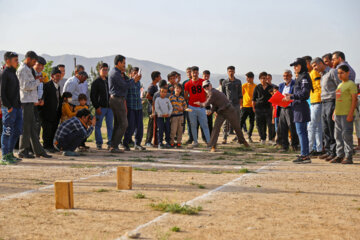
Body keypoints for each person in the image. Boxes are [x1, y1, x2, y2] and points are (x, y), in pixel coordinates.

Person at [195, 80, 249, 152]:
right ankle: (213, 146)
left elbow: (206, 104)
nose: (206, 88)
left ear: (210, 85)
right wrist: (211, 111)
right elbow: (214, 105)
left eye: (207, 86)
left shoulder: (212, 92)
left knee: (236, 127)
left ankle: (243, 141)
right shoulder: (212, 93)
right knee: (216, 128)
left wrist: (200, 103)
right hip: (221, 112)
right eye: (204, 87)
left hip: (229, 110)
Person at [17, 51, 51, 159]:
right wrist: (38, 81)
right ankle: (23, 151)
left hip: (30, 101)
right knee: (26, 128)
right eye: (34, 61)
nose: (34, 63)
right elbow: (25, 86)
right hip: (25, 101)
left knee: (32, 128)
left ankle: (38, 150)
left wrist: (37, 80)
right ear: (28, 59)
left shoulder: (28, 69)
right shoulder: (23, 70)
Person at [108, 55, 141, 153]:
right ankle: (114, 146)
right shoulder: (115, 73)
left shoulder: (117, 73)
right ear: (118, 63)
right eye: (123, 63)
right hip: (117, 100)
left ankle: (113, 145)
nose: (124, 65)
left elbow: (125, 82)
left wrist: (134, 79)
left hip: (117, 99)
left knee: (118, 124)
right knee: (124, 124)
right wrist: (134, 80)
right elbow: (125, 85)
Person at [311, 57, 341, 161]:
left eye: (315, 65)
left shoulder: (332, 72)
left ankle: (334, 152)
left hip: (331, 101)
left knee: (331, 127)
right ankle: (328, 151)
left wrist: (337, 105)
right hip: (323, 102)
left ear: (320, 63)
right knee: (325, 128)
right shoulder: (322, 75)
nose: (314, 68)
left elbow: (339, 87)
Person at [285, 58, 313, 164]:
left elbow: (305, 94)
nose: (295, 68)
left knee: (301, 132)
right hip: (297, 108)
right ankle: (304, 153)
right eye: (294, 66)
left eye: (296, 65)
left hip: (301, 108)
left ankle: (305, 155)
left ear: (301, 65)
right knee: (301, 132)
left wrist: (292, 97)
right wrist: (291, 96)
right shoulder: (300, 77)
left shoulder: (304, 76)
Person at [331, 65, 357, 164]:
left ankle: (348, 156)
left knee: (346, 135)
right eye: (338, 73)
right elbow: (338, 100)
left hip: (347, 114)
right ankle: (339, 155)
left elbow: (354, 100)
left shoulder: (351, 84)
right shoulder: (339, 85)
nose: (339, 75)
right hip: (338, 114)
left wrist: (351, 113)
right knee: (337, 135)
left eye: (342, 73)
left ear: (347, 73)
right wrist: (334, 112)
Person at [0, 52, 23, 163]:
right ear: (8, 61)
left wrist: (19, 104)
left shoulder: (13, 73)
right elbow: (2, 92)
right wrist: (8, 106)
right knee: (8, 131)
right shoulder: (4, 73)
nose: (17, 62)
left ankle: (10, 153)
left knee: (17, 130)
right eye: (15, 60)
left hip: (17, 107)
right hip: (9, 108)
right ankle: (5, 156)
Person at [184, 66, 210, 147]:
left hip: (201, 106)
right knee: (193, 125)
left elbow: (207, 93)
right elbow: (185, 96)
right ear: (190, 73)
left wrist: (204, 102)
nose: (194, 74)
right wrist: (192, 99)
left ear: (198, 73)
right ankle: (195, 141)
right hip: (192, 107)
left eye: (196, 72)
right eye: (193, 72)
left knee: (205, 125)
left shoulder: (203, 81)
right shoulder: (187, 84)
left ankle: (209, 142)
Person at [90, 62, 113, 150]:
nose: (105, 71)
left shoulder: (108, 81)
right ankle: (99, 143)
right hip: (101, 108)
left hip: (110, 108)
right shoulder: (96, 82)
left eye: (106, 70)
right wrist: (97, 107)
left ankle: (110, 142)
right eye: (103, 69)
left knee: (110, 126)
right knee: (98, 125)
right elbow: (93, 96)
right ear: (99, 70)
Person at [123, 67, 146, 151]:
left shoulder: (138, 83)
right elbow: (125, 97)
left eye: (138, 73)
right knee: (130, 127)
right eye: (134, 73)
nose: (137, 75)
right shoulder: (128, 83)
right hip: (131, 107)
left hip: (138, 107)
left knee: (140, 127)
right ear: (130, 74)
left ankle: (138, 144)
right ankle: (125, 143)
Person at [40, 67, 62, 153]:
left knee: (53, 130)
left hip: (55, 114)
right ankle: (46, 146)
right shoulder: (47, 86)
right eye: (57, 76)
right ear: (52, 76)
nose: (58, 77)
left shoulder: (58, 87)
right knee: (47, 131)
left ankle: (51, 146)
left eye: (59, 76)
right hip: (47, 114)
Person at [277, 70, 298, 152]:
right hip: (282, 108)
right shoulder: (281, 85)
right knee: (283, 128)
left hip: (291, 109)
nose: (285, 77)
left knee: (292, 127)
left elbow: (296, 95)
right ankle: (285, 146)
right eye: (284, 76)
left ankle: (295, 145)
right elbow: (278, 95)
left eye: (287, 75)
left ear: (291, 76)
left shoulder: (294, 84)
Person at [306, 56, 323, 156]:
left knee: (311, 126)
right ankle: (319, 149)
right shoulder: (311, 73)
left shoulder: (314, 73)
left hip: (317, 100)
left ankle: (308, 149)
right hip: (314, 100)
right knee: (317, 126)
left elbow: (318, 87)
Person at [221, 66, 243, 144]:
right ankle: (224, 138)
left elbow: (240, 94)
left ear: (234, 72)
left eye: (232, 71)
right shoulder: (225, 82)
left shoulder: (238, 82)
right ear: (227, 72)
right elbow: (223, 94)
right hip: (227, 105)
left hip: (236, 104)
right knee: (226, 122)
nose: (231, 72)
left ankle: (239, 138)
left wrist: (240, 105)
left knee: (237, 122)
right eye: (229, 71)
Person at [252, 72, 273, 144]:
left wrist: (272, 108)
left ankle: (271, 139)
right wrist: (254, 108)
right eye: (261, 78)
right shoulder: (257, 87)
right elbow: (253, 99)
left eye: (264, 78)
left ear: (266, 79)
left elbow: (273, 98)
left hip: (268, 108)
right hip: (259, 108)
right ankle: (262, 138)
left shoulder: (270, 87)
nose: (263, 80)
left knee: (270, 124)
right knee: (260, 124)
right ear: (259, 79)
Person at [145, 71, 161, 147]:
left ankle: (152, 141)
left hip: (154, 107)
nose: (160, 78)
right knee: (151, 125)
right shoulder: (151, 86)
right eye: (159, 76)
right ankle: (147, 141)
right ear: (156, 78)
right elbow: (147, 96)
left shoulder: (155, 86)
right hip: (151, 108)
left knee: (154, 125)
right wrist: (155, 99)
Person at [240, 72, 256, 143]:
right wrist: (241, 105)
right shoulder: (244, 85)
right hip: (245, 106)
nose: (246, 79)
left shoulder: (256, 86)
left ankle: (249, 136)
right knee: (241, 121)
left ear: (251, 78)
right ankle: (239, 136)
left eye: (247, 77)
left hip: (252, 107)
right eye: (246, 77)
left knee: (251, 122)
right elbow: (241, 96)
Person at [182, 67, 194, 144]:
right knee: (189, 121)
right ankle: (190, 138)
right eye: (187, 72)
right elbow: (183, 94)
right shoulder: (185, 82)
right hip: (187, 104)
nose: (188, 74)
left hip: (195, 104)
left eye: (190, 72)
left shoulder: (196, 81)